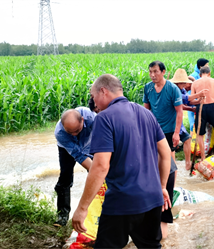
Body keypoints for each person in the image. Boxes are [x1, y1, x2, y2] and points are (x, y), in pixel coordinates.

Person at [71, 74, 171, 248]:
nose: (94, 102)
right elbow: (166, 152)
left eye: (94, 97)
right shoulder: (146, 113)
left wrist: (82, 208)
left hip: (123, 201)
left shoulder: (104, 118)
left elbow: (101, 166)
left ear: (103, 91)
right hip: (152, 199)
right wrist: (162, 187)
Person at [143, 61, 185, 238]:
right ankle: (158, 187)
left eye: (156, 72)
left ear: (163, 72)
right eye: (150, 72)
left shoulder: (172, 89)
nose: (153, 75)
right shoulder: (148, 88)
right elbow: (146, 110)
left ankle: (168, 189)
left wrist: (177, 133)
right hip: (153, 131)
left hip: (167, 131)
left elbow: (179, 111)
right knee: (153, 160)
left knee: (169, 161)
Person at [53, 107, 96, 227]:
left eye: (77, 130)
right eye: (70, 132)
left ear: (82, 120)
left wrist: (100, 171)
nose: (74, 134)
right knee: (65, 177)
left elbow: (105, 135)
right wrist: (98, 172)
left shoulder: (91, 118)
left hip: (90, 144)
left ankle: (96, 212)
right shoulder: (60, 133)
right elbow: (78, 155)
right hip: (67, 149)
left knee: (97, 178)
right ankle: (62, 216)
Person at [170, 68, 209, 170]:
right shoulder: (173, 89)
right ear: (180, 82)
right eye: (184, 83)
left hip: (178, 119)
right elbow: (183, 100)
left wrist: (199, 100)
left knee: (187, 139)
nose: (185, 86)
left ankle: (187, 164)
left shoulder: (181, 89)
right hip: (171, 119)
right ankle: (172, 167)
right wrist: (198, 95)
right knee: (171, 145)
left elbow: (188, 101)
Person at [191, 66, 214, 161]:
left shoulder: (195, 83)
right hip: (212, 107)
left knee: (199, 133)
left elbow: (192, 98)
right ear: (209, 73)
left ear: (200, 74)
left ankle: (202, 157)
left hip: (200, 107)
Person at [188, 58, 210, 132]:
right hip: (194, 103)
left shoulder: (203, 75)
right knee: (194, 124)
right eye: (206, 66)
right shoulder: (193, 76)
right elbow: (190, 92)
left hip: (200, 103)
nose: (208, 67)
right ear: (201, 67)